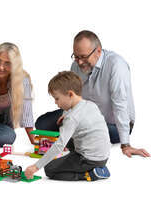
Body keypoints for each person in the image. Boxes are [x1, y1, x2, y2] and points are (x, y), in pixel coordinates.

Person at [35, 30, 150, 158]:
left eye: (83, 57)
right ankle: (71, 137)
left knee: (80, 131)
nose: (79, 62)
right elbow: (72, 98)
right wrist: (67, 114)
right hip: (84, 116)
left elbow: (120, 104)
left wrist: (125, 144)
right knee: (42, 124)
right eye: (76, 56)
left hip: (113, 125)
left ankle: (71, 138)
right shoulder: (76, 65)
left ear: (98, 51)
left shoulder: (116, 65)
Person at [25, 71, 110, 181]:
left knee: (49, 169)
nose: (56, 103)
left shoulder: (72, 118)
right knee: (71, 136)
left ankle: (89, 174)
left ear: (70, 94)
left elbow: (59, 145)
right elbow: (78, 115)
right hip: (103, 157)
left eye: (57, 98)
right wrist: (66, 114)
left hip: (88, 160)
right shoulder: (90, 104)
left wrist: (35, 167)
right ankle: (96, 167)